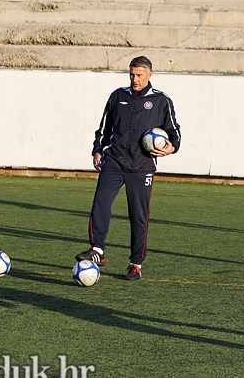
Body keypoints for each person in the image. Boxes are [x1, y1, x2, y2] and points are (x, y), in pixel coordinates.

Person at [75, 56, 181, 281]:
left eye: (139, 75)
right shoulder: (118, 96)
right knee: (101, 202)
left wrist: (172, 148)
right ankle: (97, 250)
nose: (135, 79)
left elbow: (175, 132)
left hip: (142, 166)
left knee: (138, 217)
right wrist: (98, 149)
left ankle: (135, 264)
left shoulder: (162, 101)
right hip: (113, 161)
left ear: (150, 75)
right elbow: (103, 128)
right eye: (132, 74)